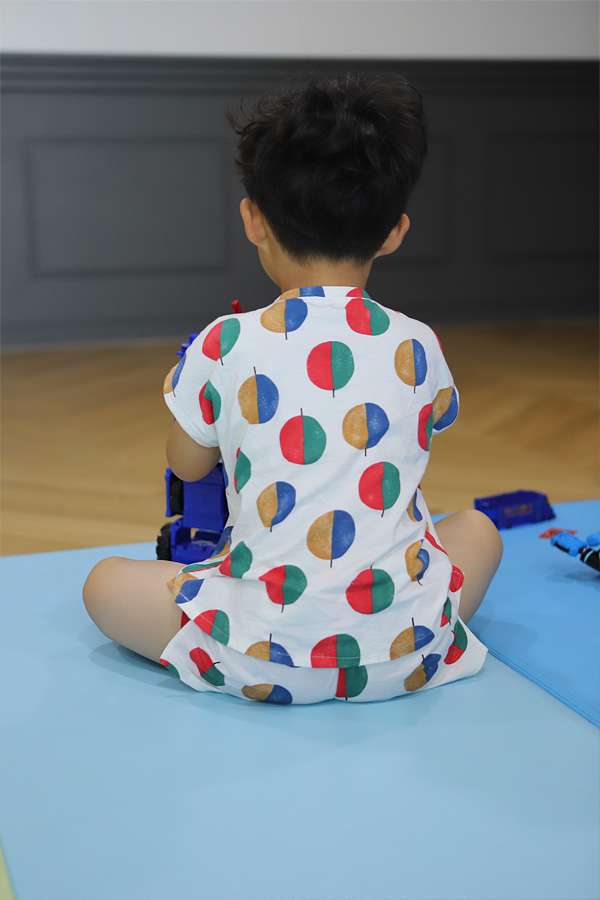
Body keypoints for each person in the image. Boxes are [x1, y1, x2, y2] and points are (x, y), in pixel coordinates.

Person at [83, 72, 502, 704]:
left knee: (104, 583)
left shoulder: (224, 342)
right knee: (480, 530)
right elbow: (422, 427)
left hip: (257, 656)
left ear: (253, 219)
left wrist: (194, 400)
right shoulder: (419, 343)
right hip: (406, 652)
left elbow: (187, 463)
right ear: (394, 231)